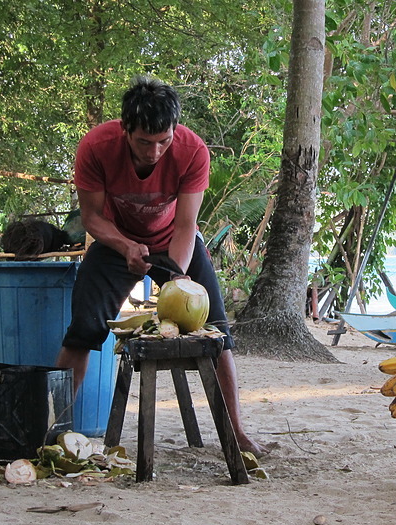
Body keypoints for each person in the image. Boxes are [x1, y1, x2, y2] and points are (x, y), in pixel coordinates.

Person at [55, 75, 268, 456]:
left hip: (175, 242)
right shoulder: (96, 147)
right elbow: (91, 218)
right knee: (82, 331)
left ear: (174, 131)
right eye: (144, 142)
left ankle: (236, 431)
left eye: (163, 142)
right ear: (125, 130)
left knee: (218, 334)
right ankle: (53, 428)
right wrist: (125, 246)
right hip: (114, 241)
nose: (154, 152)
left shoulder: (192, 151)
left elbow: (187, 225)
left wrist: (180, 277)